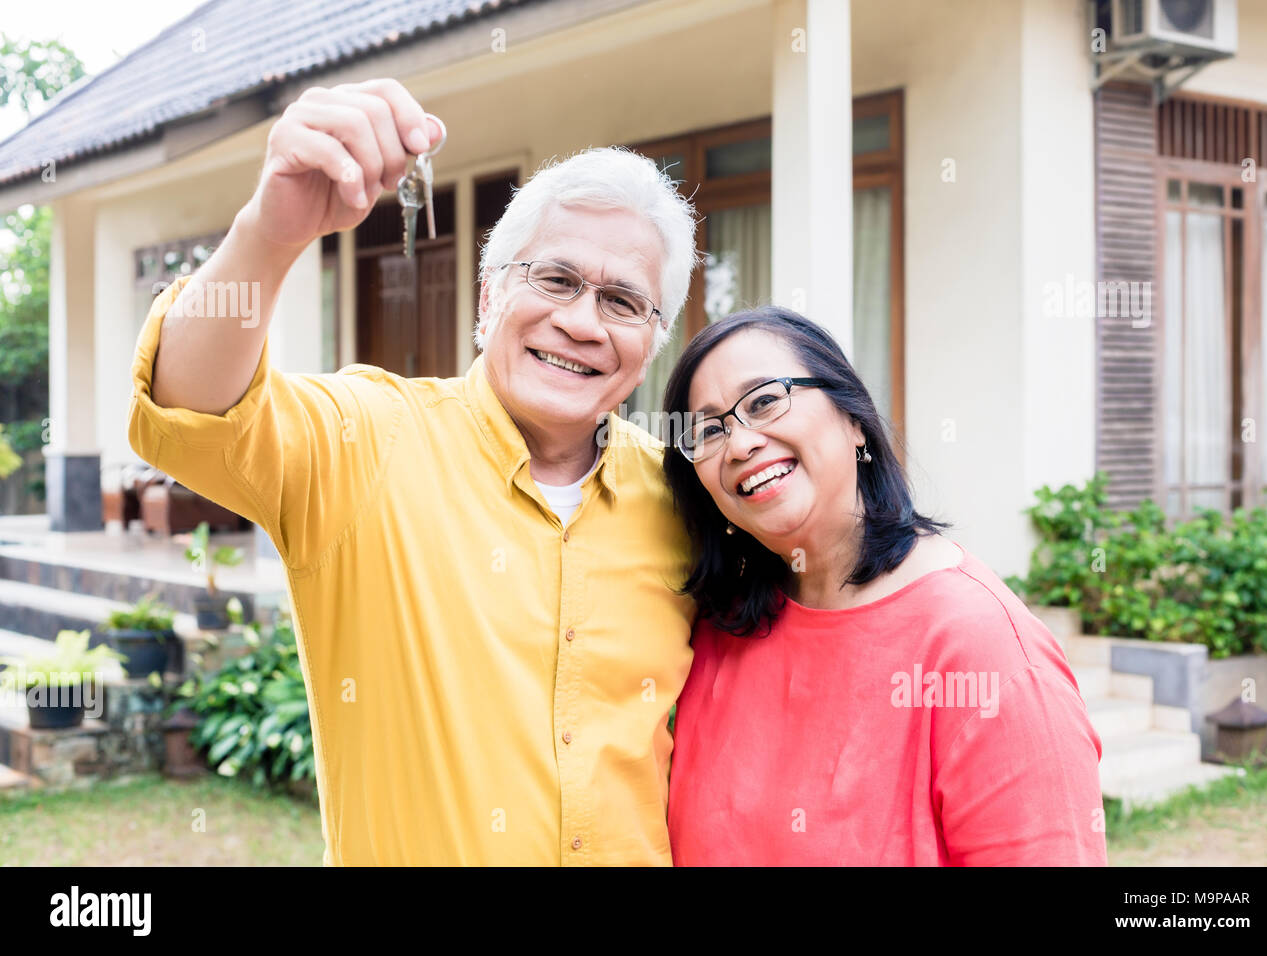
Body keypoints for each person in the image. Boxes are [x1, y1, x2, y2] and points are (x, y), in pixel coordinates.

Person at [127, 79, 701, 865]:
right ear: (489, 295)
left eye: (623, 301)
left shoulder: (688, 499)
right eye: (556, 280)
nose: (580, 322)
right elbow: (187, 407)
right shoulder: (368, 440)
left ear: (653, 341)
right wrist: (270, 232)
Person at [661, 306, 1108, 866]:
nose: (740, 443)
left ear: (853, 419)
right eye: (707, 430)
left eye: (765, 401)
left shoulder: (984, 650)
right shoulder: (718, 629)